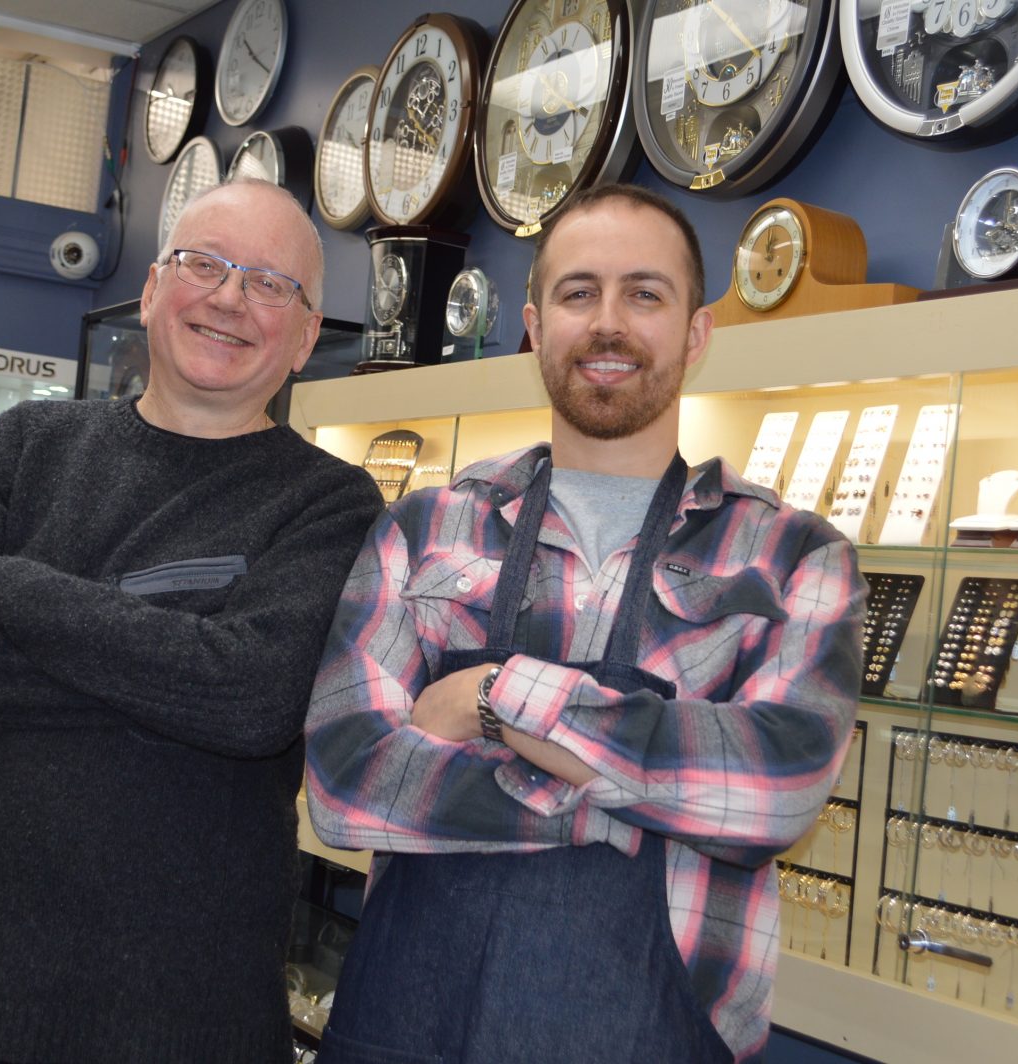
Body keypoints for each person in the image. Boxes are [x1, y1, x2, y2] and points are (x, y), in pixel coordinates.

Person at [304, 183, 865, 1064]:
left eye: (645, 293)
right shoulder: (426, 527)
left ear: (696, 333)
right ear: (534, 324)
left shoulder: (794, 558)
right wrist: (634, 801)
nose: (609, 323)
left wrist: (493, 697)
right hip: (407, 1030)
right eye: (578, 292)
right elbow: (345, 782)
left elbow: (774, 790)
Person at [0, 179, 385, 1064]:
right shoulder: (25, 445)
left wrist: (14, 589)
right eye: (204, 264)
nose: (228, 298)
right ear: (150, 291)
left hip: (185, 1027)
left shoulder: (331, 503)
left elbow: (249, 700)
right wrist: (167, 656)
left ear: (303, 340)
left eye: (269, 284)